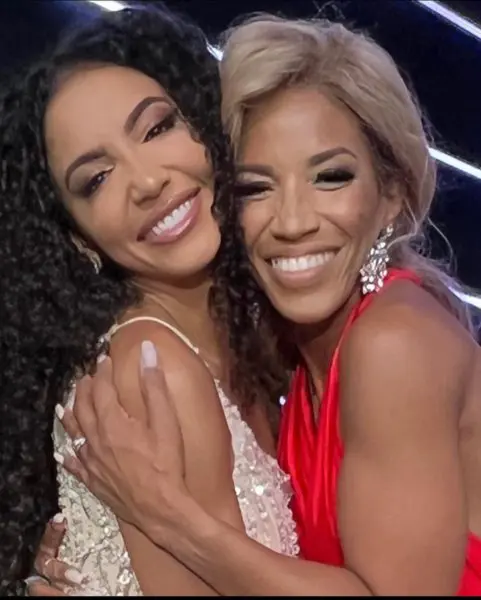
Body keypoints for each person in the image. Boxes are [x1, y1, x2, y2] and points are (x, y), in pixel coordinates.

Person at [33, 13, 481, 597]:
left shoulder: (393, 344)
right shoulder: (281, 346)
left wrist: (170, 519)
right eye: (256, 187)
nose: (292, 222)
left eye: (331, 177)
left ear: (391, 193)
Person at [0, 5, 299, 596]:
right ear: (78, 238)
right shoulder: (148, 372)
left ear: (205, 129)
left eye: (157, 128)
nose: (146, 181)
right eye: (97, 179)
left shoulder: (259, 333)